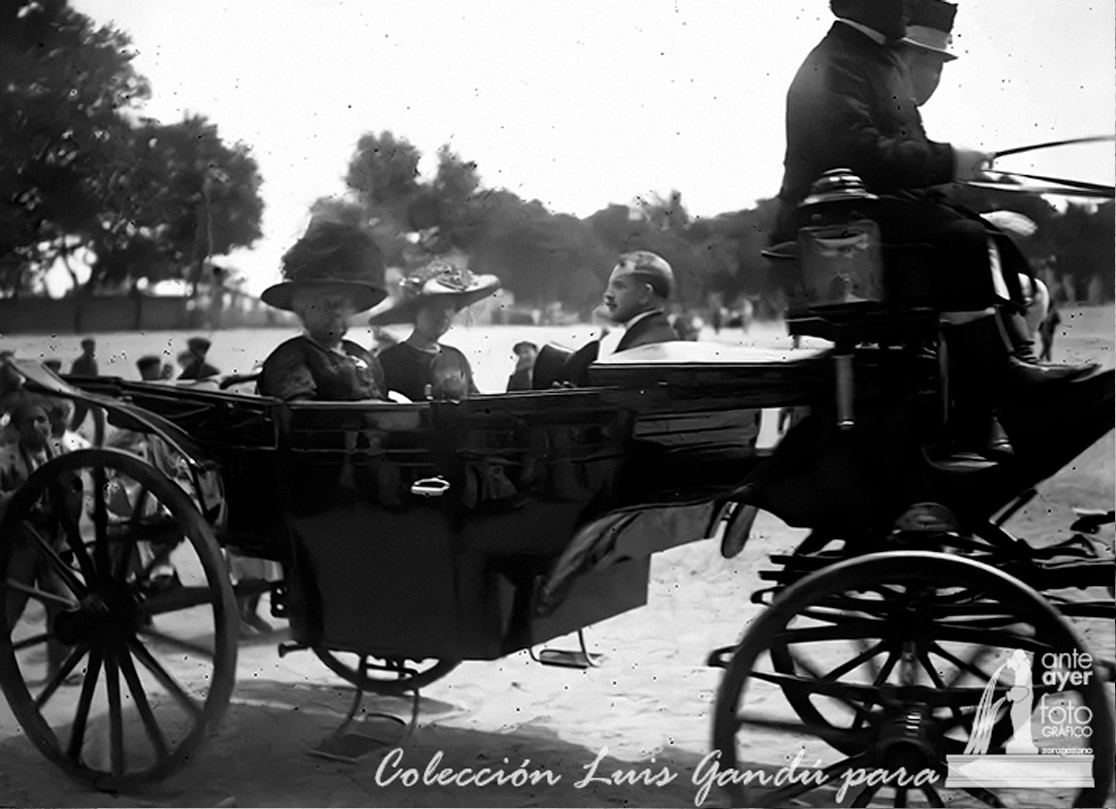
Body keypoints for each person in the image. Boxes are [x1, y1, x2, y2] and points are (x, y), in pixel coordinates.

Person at [776, 0, 1087, 455]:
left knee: (981, 231)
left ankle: (995, 391)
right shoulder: (837, 62)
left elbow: (901, 154)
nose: (905, 12)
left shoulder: (867, 58)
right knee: (963, 237)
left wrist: (950, 168)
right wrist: (950, 160)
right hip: (831, 222)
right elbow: (859, 152)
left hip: (857, 214)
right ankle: (995, 389)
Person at [0, 393, 84, 683]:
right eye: (29, 421)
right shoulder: (4, 458)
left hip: (52, 542)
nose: (37, 426)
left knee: (63, 602)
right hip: (21, 544)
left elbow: (75, 496)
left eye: (42, 420)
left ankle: (59, 668)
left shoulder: (60, 455)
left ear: (50, 424)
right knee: (12, 606)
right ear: (18, 428)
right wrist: (22, 498)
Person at [257, 220, 389, 402]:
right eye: (325, 304)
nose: (336, 312)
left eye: (343, 305)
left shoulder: (363, 356)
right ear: (302, 309)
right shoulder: (292, 356)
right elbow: (300, 411)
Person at [370, 261, 499, 401]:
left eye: (449, 307)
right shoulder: (390, 360)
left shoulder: (455, 358)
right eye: (435, 308)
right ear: (416, 313)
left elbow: (475, 402)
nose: (444, 315)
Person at [558, 251, 680, 387]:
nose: (607, 294)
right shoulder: (654, 335)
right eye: (609, 285)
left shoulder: (645, 347)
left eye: (619, 286)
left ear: (645, 294)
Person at [68, 337, 98, 432]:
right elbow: (73, 378)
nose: (92, 349)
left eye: (93, 347)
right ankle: (70, 432)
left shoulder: (93, 362)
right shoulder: (79, 362)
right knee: (79, 417)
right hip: (81, 395)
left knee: (83, 417)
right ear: (84, 348)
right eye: (90, 347)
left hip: (90, 394)